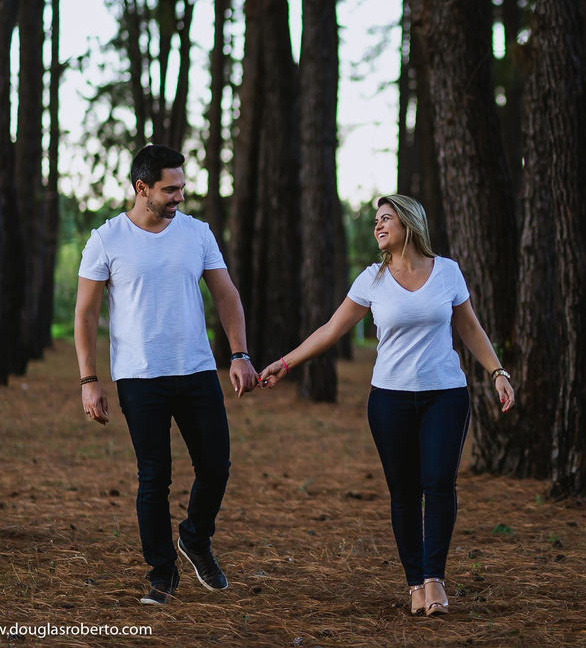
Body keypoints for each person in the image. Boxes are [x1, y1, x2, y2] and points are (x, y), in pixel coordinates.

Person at [258, 194, 515, 617]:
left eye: (386, 219)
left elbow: (469, 327)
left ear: (409, 223)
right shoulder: (371, 279)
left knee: (439, 484)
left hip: (445, 396)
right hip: (390, 400)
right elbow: (330, 330)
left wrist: (497, 371)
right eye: (376, 220)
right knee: (404, 492)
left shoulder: (446, 272)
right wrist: (286, 363)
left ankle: (435, 578)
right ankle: (414, 581)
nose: (378, 226)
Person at [75, 144, 259, 606]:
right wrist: (89, 381)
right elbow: (84, 314)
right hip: (139, 378)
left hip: (196, 371)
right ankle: (162, 573)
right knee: (154, 478)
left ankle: (195, 538)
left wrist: (239, 354)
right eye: (170, 189)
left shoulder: (196, 234)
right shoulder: (107, 239)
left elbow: (226, 295)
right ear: (142, 188)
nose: (180, 196)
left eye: (182, 186)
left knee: (216, 467)